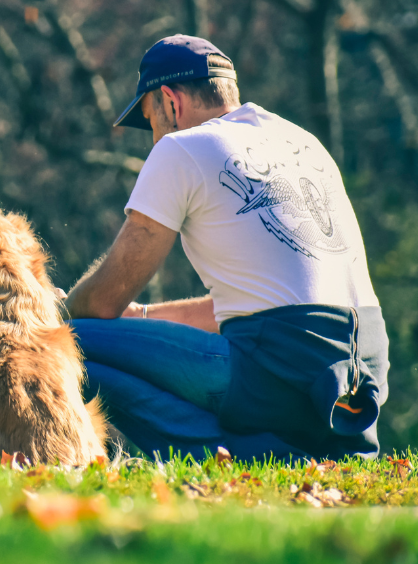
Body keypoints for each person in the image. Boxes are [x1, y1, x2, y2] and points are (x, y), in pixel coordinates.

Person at [65, 34, 389, 461]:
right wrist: (143, 316)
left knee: (62, 345)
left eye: (151, 121)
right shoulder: (305, 143)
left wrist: (54, 310)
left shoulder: (181, 148)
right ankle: (307, 447)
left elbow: (103, 301)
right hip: (364, 369)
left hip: (277, 367)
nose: (154, 139)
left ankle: (244, 453)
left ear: (171, 102)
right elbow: (267, 304)